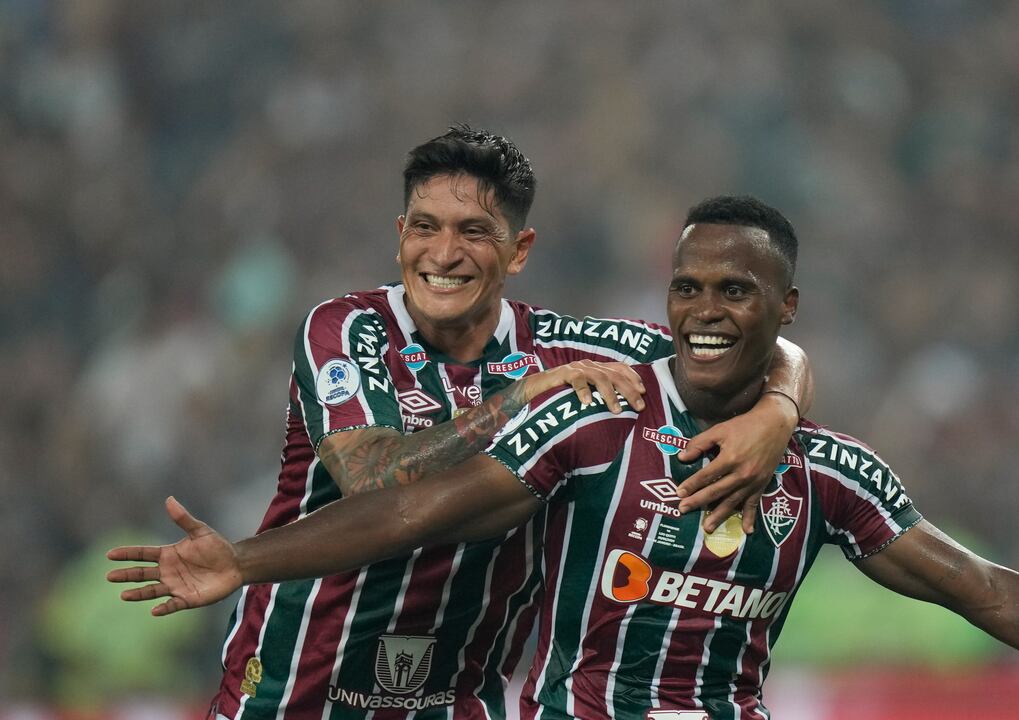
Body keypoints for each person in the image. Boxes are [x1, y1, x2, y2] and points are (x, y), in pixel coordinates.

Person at [109, 196, 1019, 720]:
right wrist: (249, 564)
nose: (706, 310)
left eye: (734, 293)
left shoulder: (823, 471)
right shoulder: (595, 419)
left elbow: (985, 590)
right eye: (687, 289)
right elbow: (416, 508)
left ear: (782, 307)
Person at [189, 128, 814, 719]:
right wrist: (517, 399)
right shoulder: (348, 328)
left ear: (519, 250)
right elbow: (374, 477)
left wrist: (778, 409)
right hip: (292, 687)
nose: (444, 254)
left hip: (455, 697)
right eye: (426, 228)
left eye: (474, 232)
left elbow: (736, 342)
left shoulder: (572, 346)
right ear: (400, 235)